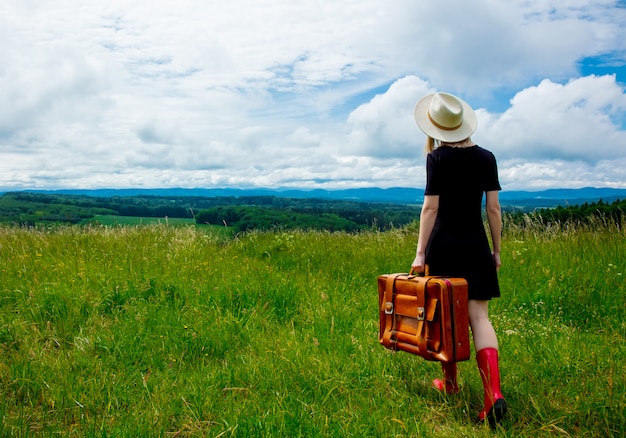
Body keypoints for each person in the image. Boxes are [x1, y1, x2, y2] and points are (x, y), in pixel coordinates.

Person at [411, 92, 507, 426]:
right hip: (476, 246)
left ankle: (450, 384)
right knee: (479, 318)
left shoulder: (436, 159)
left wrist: (420, 253)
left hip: (443, 247)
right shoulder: (487, 158)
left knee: (443, 317)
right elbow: (493, 209)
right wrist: (496, 251)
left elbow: (431, 208)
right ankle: (492, 394)